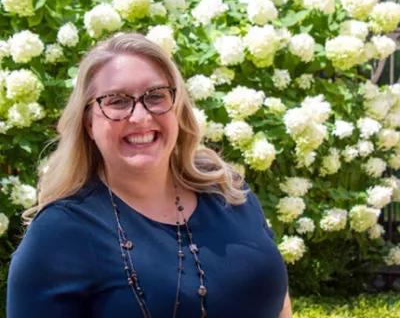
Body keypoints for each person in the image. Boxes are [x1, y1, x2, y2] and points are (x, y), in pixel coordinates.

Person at [7, 33, 292, 318]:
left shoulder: (227, 190)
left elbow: (279, 303)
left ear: (177, 108)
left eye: (155, 96)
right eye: (117, 101)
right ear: (89, 123)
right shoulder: (60, 233)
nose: (140, 117)